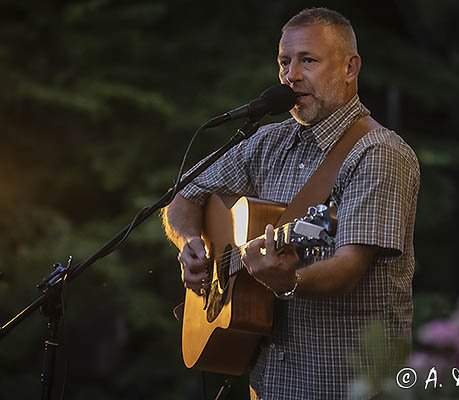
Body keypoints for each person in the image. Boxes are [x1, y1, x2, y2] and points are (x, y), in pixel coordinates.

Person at [162, 7, 420, 399]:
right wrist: (189, 245)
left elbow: (349, 266)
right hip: (266, 384)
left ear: (350, 68)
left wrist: (289, 281)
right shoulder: (268, 141)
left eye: (308, 61)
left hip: (342, 385)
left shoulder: (379, 153)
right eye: (284, 62)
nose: (291, 76)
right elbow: (184, 195)